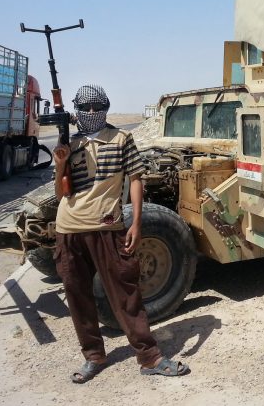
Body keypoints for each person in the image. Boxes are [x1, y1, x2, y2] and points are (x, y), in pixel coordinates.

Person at [53, 84, 190, 383]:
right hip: (68, 229)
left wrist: (137, 223)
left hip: (107, 228)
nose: (91, 113)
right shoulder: (70, 144)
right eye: (85, 108)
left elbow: (136, 179)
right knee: (77, 295)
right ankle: (93, 355)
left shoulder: (121, 138)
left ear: (106, 107)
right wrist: (61, 161)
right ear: (76, 110)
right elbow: (60, 192)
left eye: (97, 106)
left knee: (126, 294)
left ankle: (150, 357)